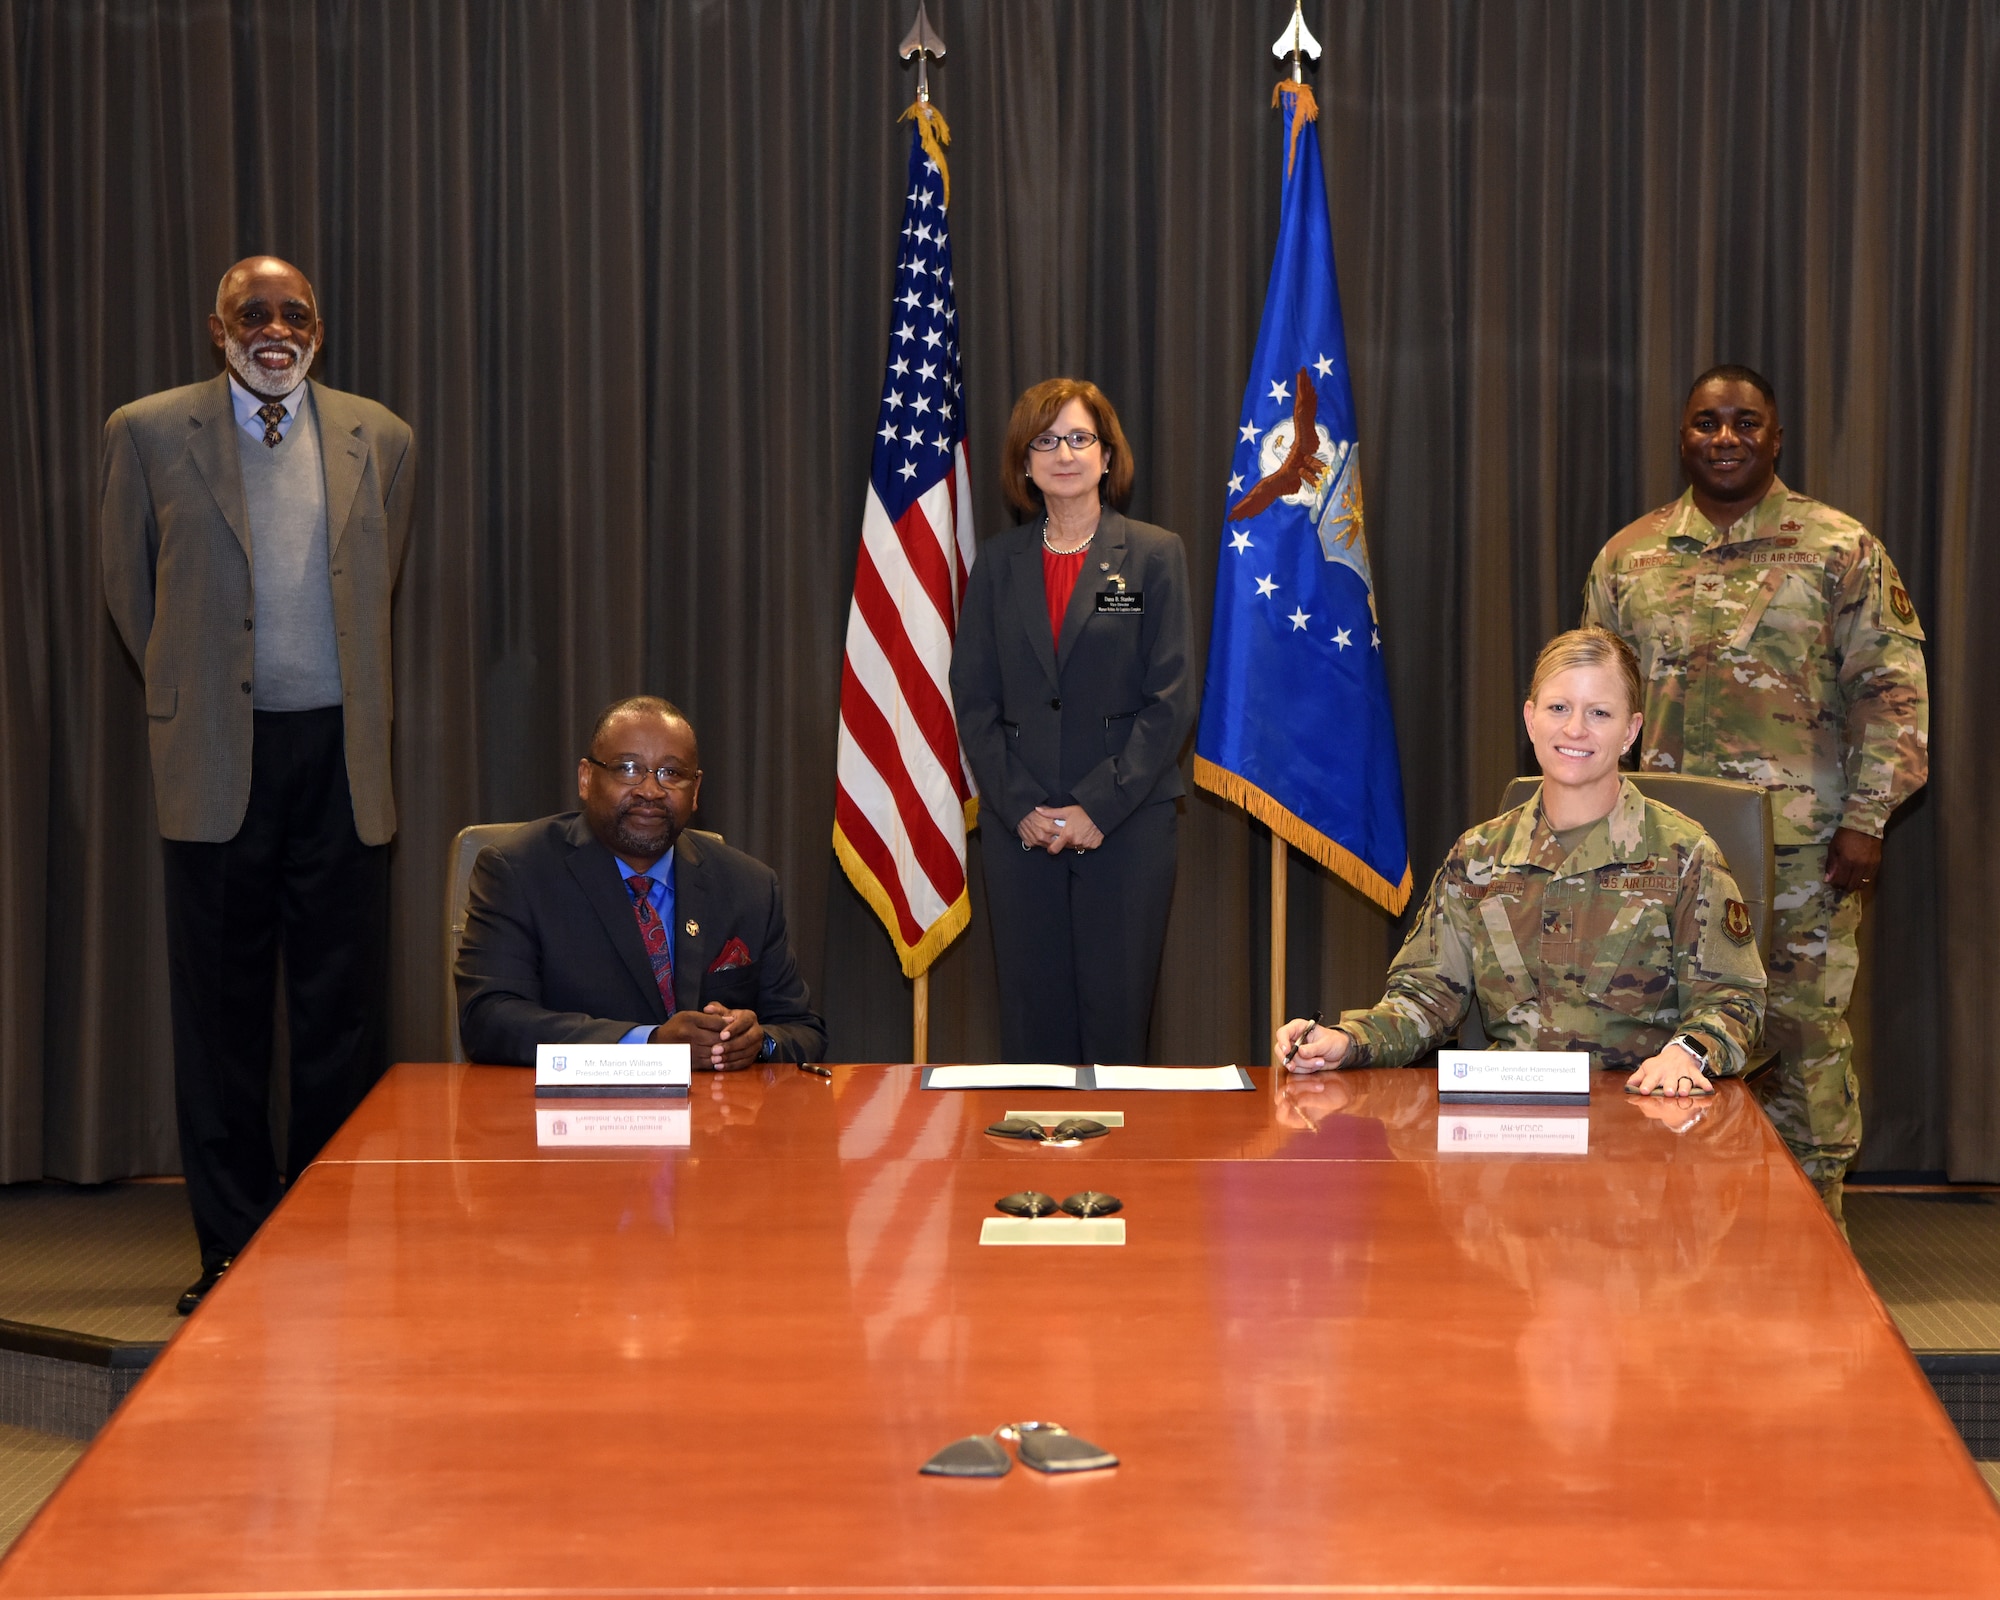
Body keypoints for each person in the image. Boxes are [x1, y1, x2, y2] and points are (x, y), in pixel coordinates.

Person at [100, 256, 415, 1313]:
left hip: (342, 763)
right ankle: (230, 1251)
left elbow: (378, 578)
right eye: (253, 314)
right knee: (223, 1020)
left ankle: (326, 1239)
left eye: (295, 313)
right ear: (216, 328)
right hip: (217, 764)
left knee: (340, 1017)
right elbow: (127, 584)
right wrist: (203, 696)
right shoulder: (146, 432)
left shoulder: (384, 436)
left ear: (318, 328)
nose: (275, 329)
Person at [1582, 365, 1928, 1219]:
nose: (1725, 439)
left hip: (1803, 853)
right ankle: (1677, 1242)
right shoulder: (1631, 557)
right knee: (1661, 1039)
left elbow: (1891, 691)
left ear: (1776, 438)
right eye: (1706, 423)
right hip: (1656, 859)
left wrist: (1868, 819)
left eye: (1745, 423)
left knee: (1802, 1042)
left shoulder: (1838, 548)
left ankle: (1816, 1244)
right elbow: (1592, 702)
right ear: (1683, 436)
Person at [1275, 628, 1766, 1094]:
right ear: (1531, 719)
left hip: (1639, 1117)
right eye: (1558, 708)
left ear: (1631, 730)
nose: (1575, 728)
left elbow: (1733, 1000)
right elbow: (1425, 999)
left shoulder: (1684, 855)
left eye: (1599, 713)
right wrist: (1346, 1040)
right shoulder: (1478, 857)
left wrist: (1687, 1054)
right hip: (1508, 1124)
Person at [949, 379, 1196, 1064]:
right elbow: (973, 696)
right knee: (1031, 1020)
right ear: (1025, 464)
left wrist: (1096, 805)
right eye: (1046, 440)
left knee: (1117, 1020)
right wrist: (1023, 805)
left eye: (1080, 437)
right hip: (1019, 827)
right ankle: (1034, 1168)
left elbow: (1171, 699)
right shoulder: (997, 564)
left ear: (1108, 456)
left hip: (1127, 826)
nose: (1065, 453)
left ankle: (1116, 1171)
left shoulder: (1155, 553)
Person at [456, 696, 827, 1068]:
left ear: (695, 790)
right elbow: (489, 1019)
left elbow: (803, 1030)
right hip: (571, 1117)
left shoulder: (750, 885)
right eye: (628, 768)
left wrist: (758, 1043)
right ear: (586, 778)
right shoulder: (518, 870)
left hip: (714, 1119)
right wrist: (647, 1044)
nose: (650, 791)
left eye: (671, 774)